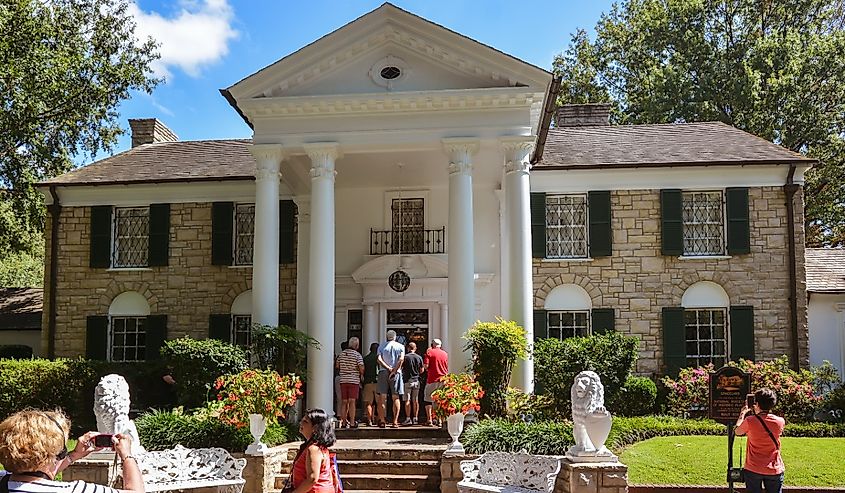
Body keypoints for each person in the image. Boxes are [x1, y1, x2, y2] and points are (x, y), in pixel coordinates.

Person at [0, 409, 143, 493]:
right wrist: (127, 456)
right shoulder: (72, 490)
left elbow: (38, 473)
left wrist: (74, 455)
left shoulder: (3, 480)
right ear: (57, 453)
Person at [735, 388, 785, 493]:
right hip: (774, 468)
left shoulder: (750, 421)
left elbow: (737, 431)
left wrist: (742, 414)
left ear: (756, 403)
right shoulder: (780, 422)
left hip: (753, 467)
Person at [288, 409, 337, 493]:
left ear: (315, 428)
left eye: (305, 422)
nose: (301, 423)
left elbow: (312, 478)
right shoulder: (316, 447)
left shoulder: (314, 449)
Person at [376, 330, 405, 428]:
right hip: (396, 372)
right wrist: (394, 370)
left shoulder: (381, 346)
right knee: (395, 397)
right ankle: (395, 421)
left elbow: (379, 359)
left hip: (383, 371)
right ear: (395, 337)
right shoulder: (400, 346)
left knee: (382, 397)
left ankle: (382, 420)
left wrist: (388, 368)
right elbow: (401, 359)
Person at [336, 337, 364, 429]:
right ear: (356, 345)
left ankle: (343, 422)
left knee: (344, 401)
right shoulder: (357, 355)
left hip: (343, 379)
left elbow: (337, 366)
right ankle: (352, 422)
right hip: (353, 380)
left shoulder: (341, 354)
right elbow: (361, 368)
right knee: (352, 401)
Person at [422, 338, 449, 427]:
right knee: (440, 400)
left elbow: (426, 366)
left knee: (428, 399)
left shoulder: (429, 352)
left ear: (432, 344)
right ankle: (440, 420)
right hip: (443, 379)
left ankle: (429, 420)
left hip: (432, 379)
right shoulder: (445, 354)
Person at [401, 341, 424, 425]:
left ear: (408, 348)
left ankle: (408, 418)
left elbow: (401, 367)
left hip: (407, 380)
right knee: (415, 400)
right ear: (415, 348)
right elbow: (422, 370)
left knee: (407, 400)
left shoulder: (405, 357)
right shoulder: (419, 357)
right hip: (416, 380)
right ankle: (415, 418)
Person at [361, 342, 380, 426]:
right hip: (378, 382)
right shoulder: (379, 358)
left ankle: (369, 420)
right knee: (379, 402)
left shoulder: (365, 358)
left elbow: (362, 371)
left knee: (369, 403)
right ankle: (379, 419)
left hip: (368, 382)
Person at [333, 341, 348, 424]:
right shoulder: (353, 355)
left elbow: (337, 366)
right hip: (348, 378)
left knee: (339, 398)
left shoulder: (339, 356)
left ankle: (339, 415)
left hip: (339, 377)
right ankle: (345, 416)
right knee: (347, 399)